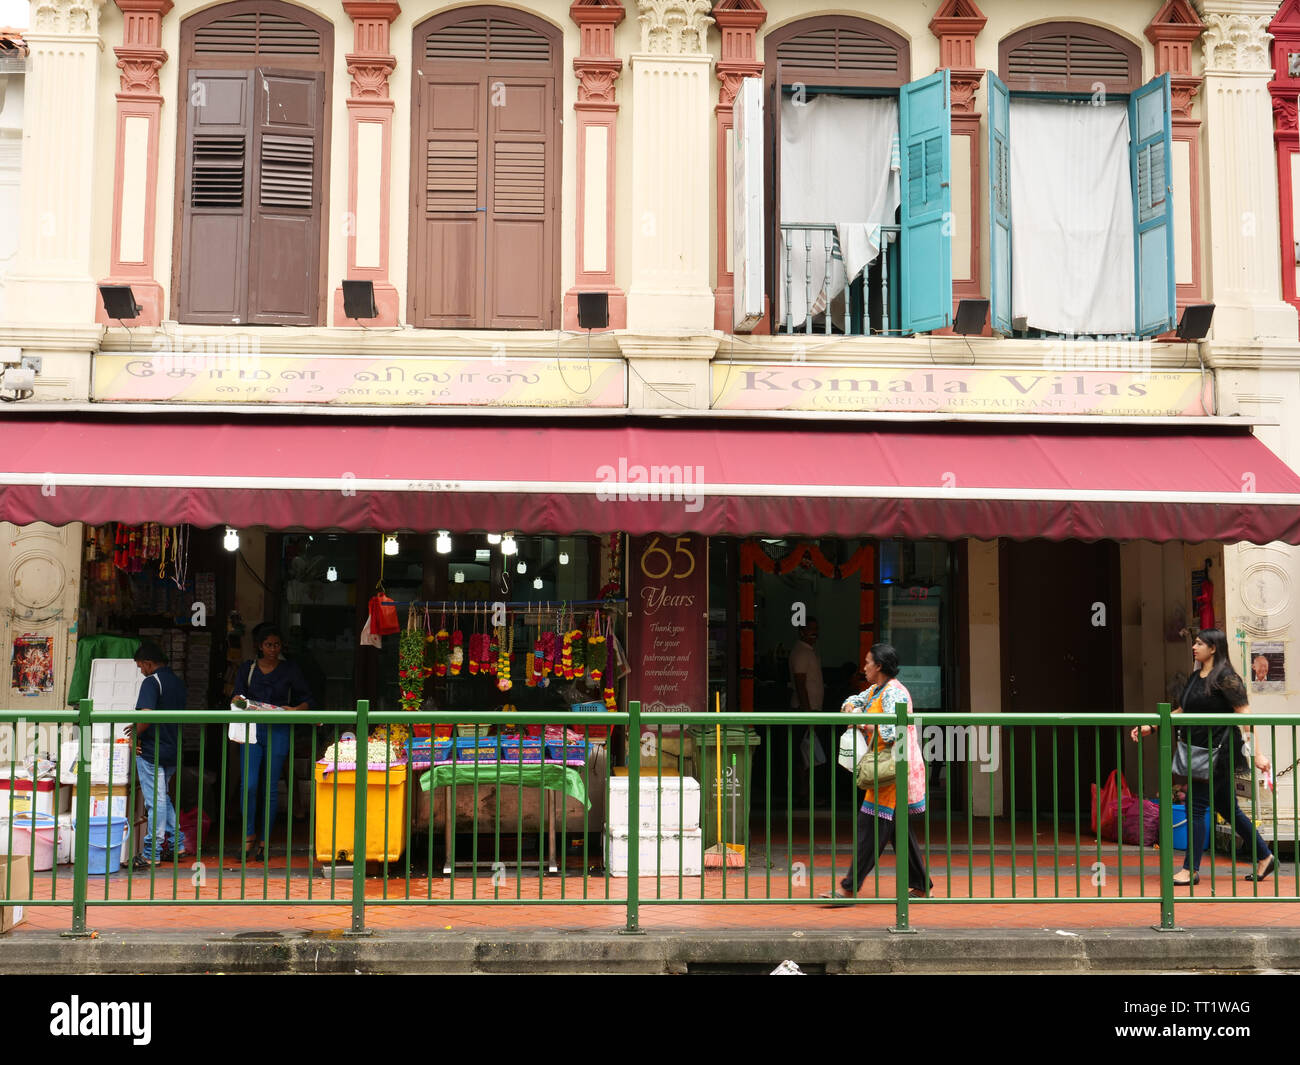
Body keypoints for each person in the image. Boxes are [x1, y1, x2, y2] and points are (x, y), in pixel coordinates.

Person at [1130, 629, 1274, 885]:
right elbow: (1183, 709)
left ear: (1214, 648)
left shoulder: (1227, 677)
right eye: (1195, 643)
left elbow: (1246, 717)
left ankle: (1190, 869)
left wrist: (1258, 754)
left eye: (1199, 643)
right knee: (1228, 808)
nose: (1194, 647)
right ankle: (1265, 856)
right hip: (1199, 752)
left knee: (1194, 807)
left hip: (1220, 753)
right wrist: (1152, 727)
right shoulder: (1197, 676)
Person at [822, 643, 931, 900]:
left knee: (869, 827)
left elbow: (895, 732)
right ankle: (921, 885)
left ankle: (848, 887)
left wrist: (862, 722)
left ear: (879, 666)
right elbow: (852, 701)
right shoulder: (876, 690)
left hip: (892, 770)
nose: (864, 667)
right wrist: (851, 708)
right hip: (887, 768)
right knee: (896, 829)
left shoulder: (894, 693)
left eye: (868, 662)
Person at [233, 623, 314, 862]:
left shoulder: (290, 669)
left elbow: (307, 699)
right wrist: (239, 701)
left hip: (279, 729)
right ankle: (248, 836)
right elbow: (237, 696)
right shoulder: (246, 669)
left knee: (270, 787)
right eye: (268, 644)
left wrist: (296, 710)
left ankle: (264, 841)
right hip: (251, 728)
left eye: (276, 644)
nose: (273, 649)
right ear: (259, 646)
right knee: (248, 785)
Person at [128, 641, 189, 869]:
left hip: (152, 750)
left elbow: (146, 715)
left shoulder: (152, 682)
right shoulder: (177, 682)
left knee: (156, 802)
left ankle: (150, 852)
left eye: (140, 666)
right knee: (163, 798)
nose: (141, 671)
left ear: (148, 663)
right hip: (173, 748)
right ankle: (177, 844)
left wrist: (135, 734)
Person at [788, 618, 827, 802]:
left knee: (809, 753)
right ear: (801, 631)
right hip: (805, 711)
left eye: (816, 629)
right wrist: (807, 713)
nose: (815, 633)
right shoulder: (802, 652)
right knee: (805, 754)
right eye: (811, 629)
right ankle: (804, 793)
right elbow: (800, 683)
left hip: (811, 710)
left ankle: (807, 793)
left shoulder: (809, 651)